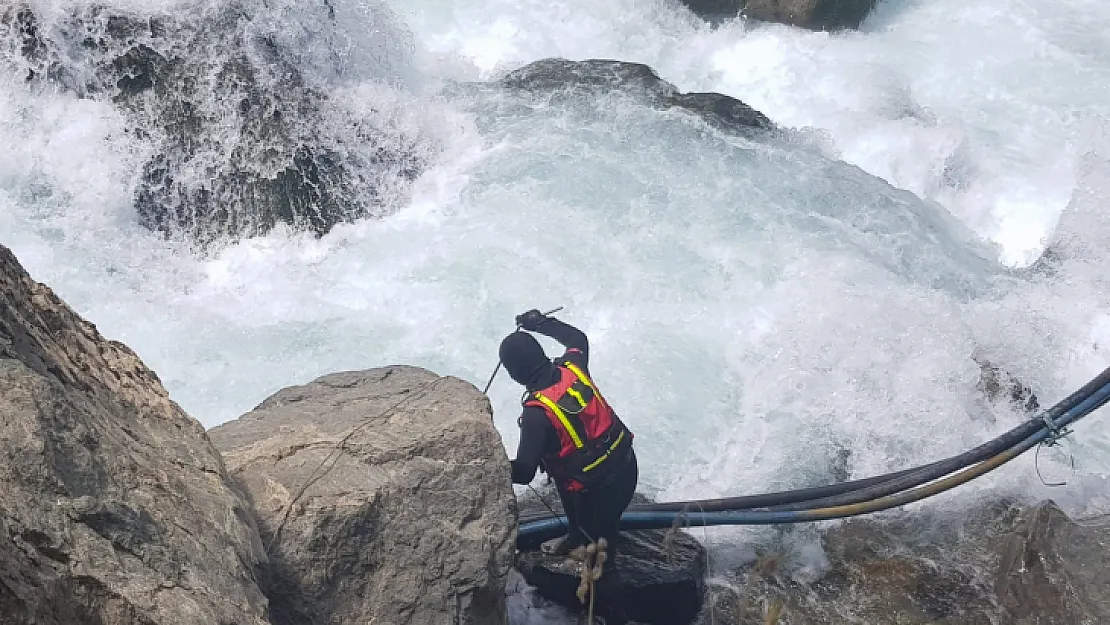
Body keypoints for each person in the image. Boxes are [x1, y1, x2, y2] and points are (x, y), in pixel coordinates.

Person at [500, 309, 638, 625]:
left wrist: (491, 465)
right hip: (626, 467)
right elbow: (577, 338)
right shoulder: (572, 366)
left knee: (603, 561)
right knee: (562, 472)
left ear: (513, 374)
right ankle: (575, 535)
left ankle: (615, 616)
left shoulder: (537, 415)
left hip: (599, 493)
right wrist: (541, 324)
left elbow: (523, 473)